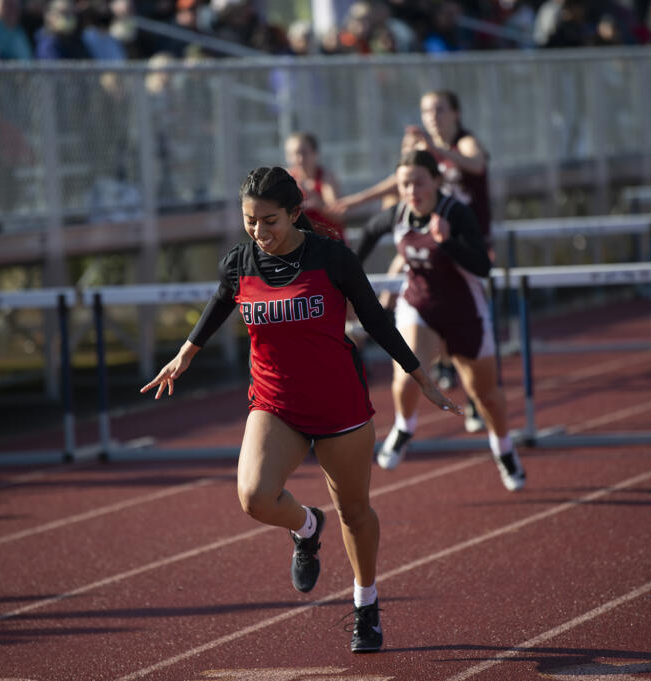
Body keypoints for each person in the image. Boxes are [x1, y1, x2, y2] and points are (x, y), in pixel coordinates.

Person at [140, 166, 460, 653]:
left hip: (339, 407)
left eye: (269, 221)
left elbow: (375, 320)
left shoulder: (332, 259)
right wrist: (184, 355)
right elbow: (219, 304)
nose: (259, 231)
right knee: (253, 496)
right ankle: (307, 527)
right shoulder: (239, 262)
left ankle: (366, 606)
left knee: (354, 510)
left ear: (294, 213)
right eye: (250, 221)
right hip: (276, 403)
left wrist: (421, 377)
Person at [355, 150, 526, 493]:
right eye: (405, 183)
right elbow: (364, 239)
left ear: (436, 180)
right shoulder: (398, 214)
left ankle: (504, 449)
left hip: (465, 311)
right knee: (408, 371)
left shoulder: (456, 213)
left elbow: (483, 267)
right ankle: (404, 426)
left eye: (419, 181)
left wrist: (447, 241)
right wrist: (343, 277)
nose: (412, 189)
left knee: (485, 394)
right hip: (420, 304)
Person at [335, 90, 495, 432]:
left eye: (439, 109)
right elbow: (402, 178)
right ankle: (374, 327)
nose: (433, 116)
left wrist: (432, 151)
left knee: (465, 317)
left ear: (455, 112)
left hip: (466, 242)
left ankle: (471, 388)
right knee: (398, 284)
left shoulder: (465, 144)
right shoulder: (420, 152)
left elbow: (477, 164)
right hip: (428, 238)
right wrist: (359, 199)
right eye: (426, 110)